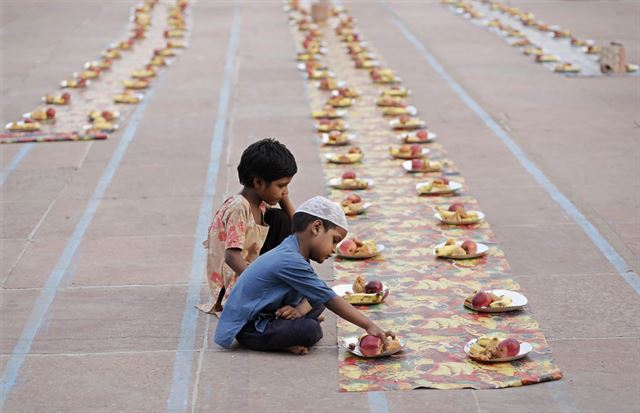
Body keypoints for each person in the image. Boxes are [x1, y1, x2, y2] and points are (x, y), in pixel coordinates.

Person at [214, 196, 394, 355]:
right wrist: (369, 326)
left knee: (316, 302)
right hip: (250, 328)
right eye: (334, 240)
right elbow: (328, 297)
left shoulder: (294, 248)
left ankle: (287, 332)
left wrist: (300, 310)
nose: (333, 250)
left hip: (267, 312)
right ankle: (281, 342)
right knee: (311, 329)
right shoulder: (290, 259)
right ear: (316, 228)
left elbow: (318, 292)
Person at [196, 138, 297, 315]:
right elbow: (231, 257)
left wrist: (284, 196)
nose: (284, 191)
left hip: (252, 266)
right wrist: (261, 282)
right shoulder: (239, 207)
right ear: (258, 183)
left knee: (280, 219)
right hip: (237, 279)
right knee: (291, 305)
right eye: (281, 186)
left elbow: (297, 228)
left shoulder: (260, 203)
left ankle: (290, 288)